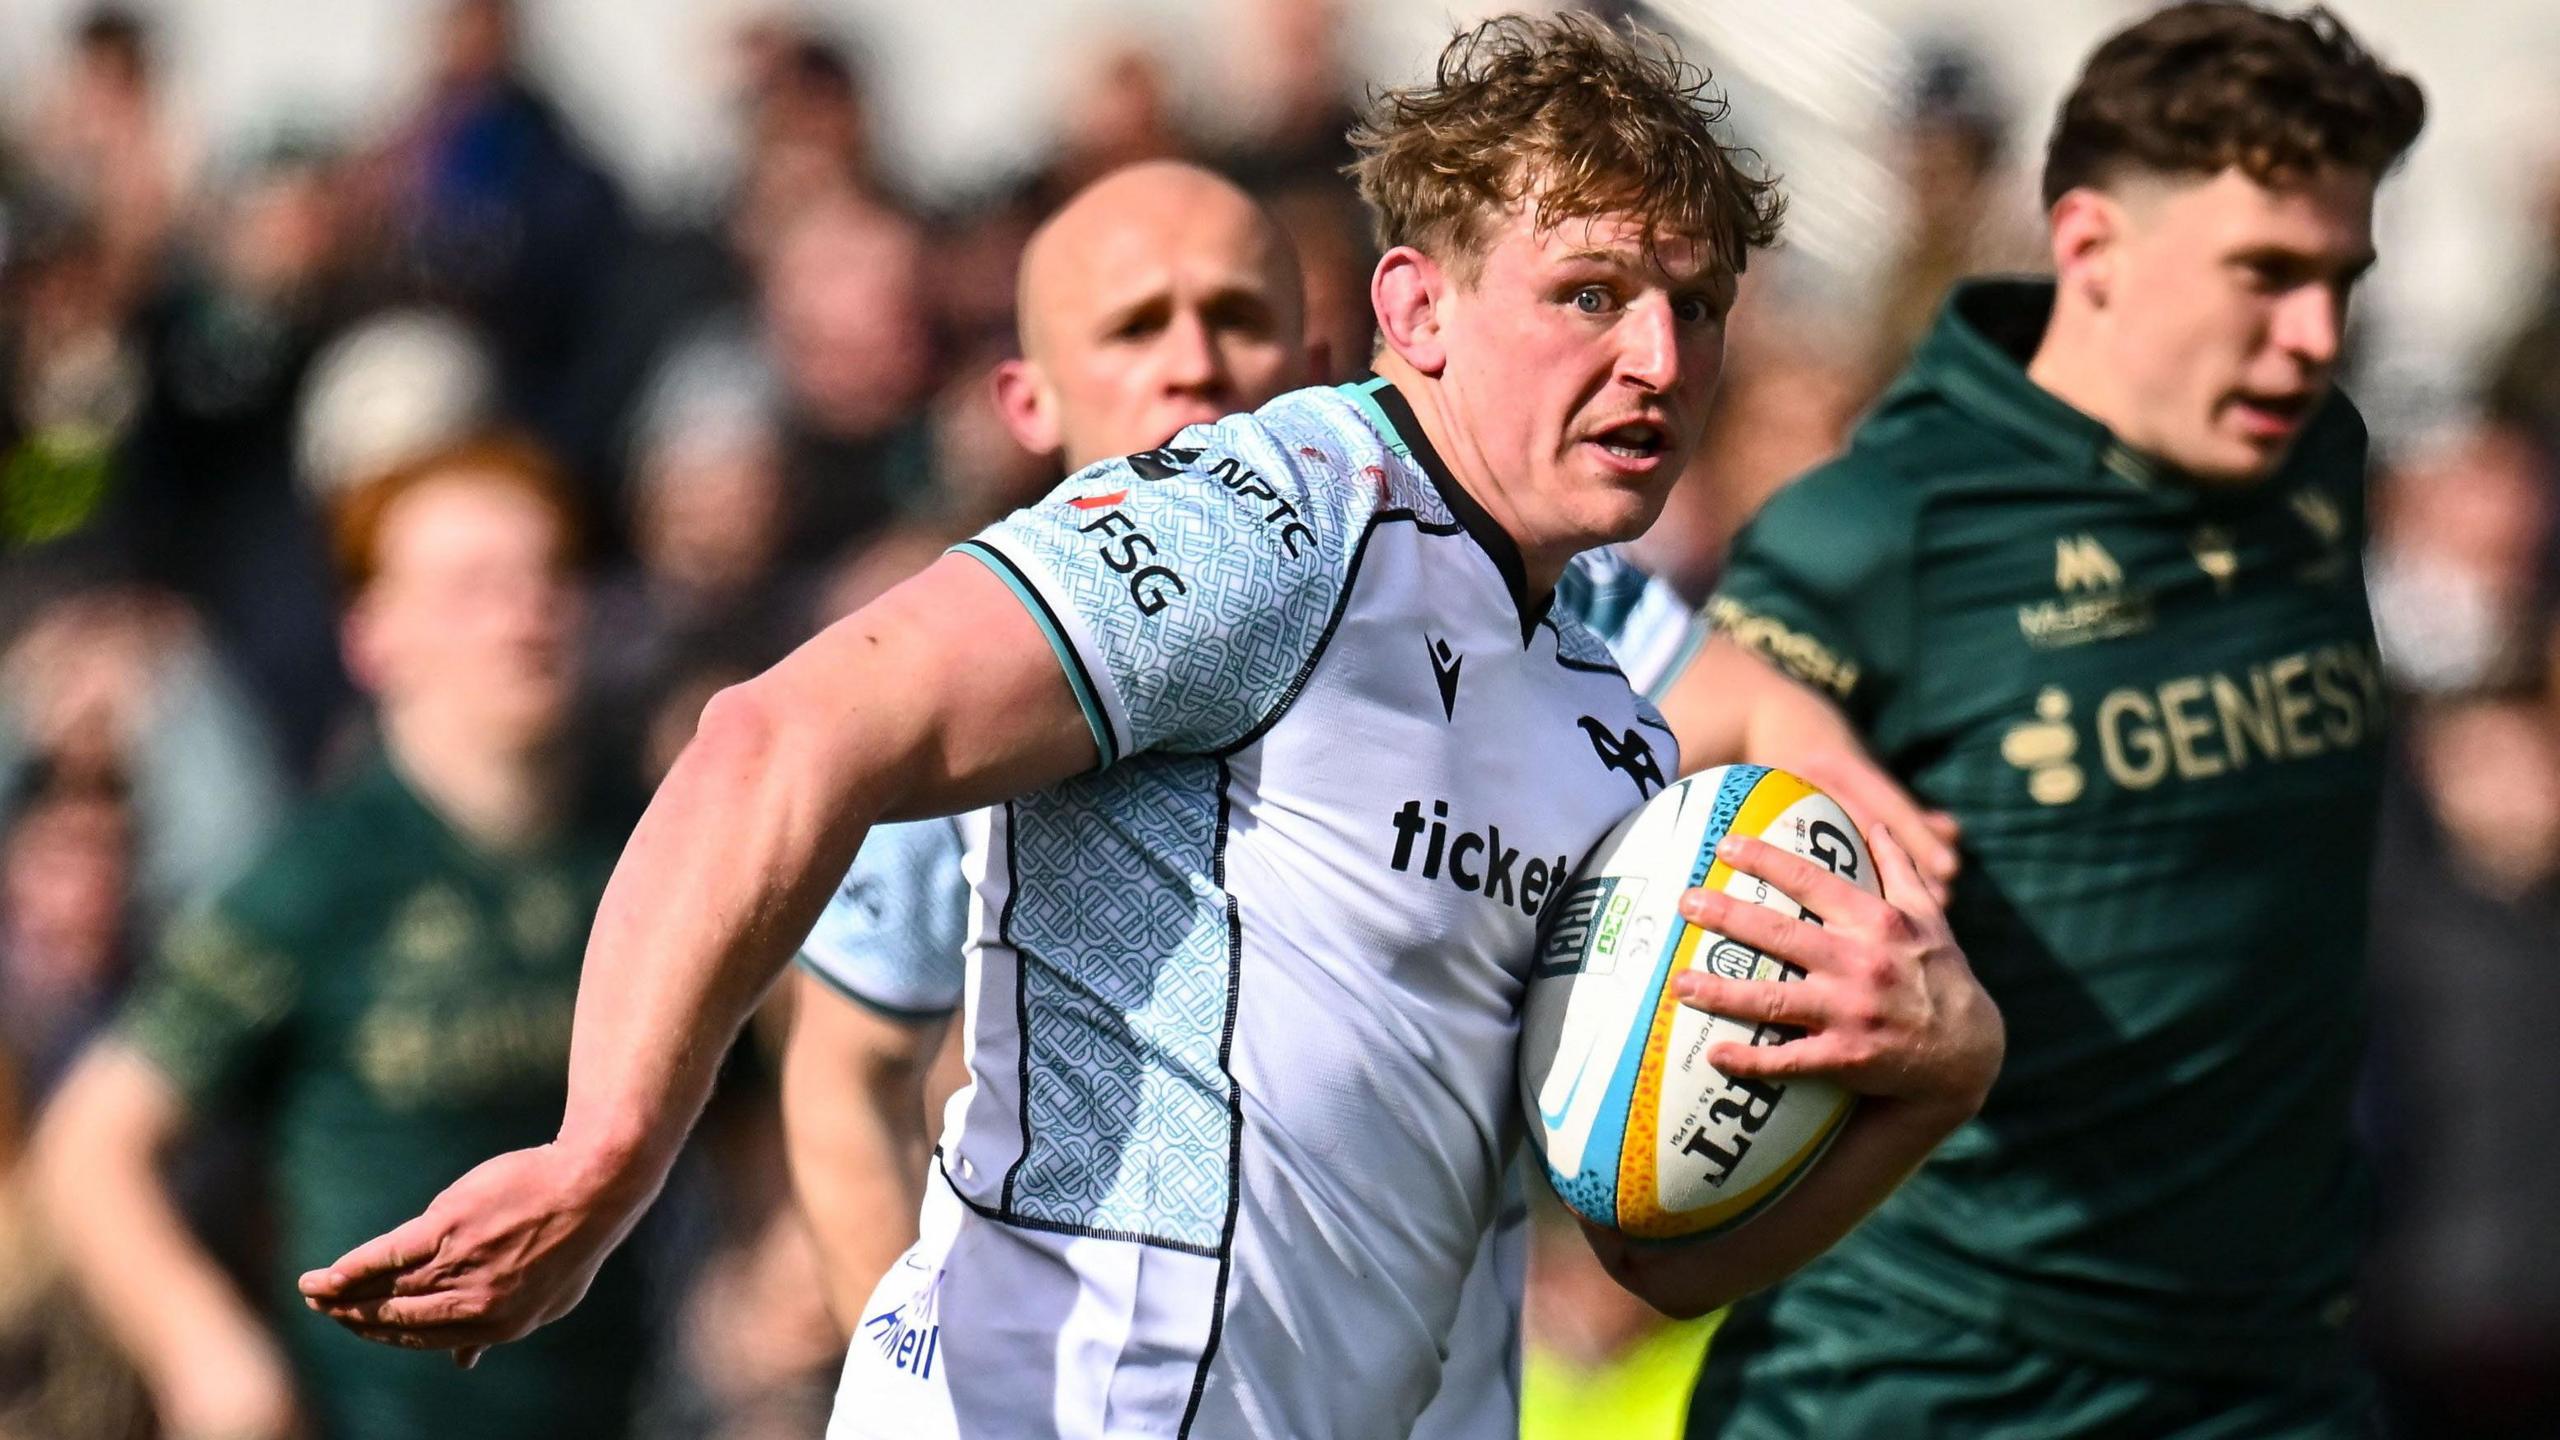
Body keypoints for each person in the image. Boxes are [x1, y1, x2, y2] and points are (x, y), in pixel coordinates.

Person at [299, 17, 2003, 1439]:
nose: (1657, 359)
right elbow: (785, 735)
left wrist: (1935, 1083)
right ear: (1414, 310)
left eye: (1696, 306)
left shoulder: (1606, 720)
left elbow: (1651, 1253)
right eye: (1591, 293)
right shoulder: (1283, 517)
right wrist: (611, 1145)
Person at [782, 156, 1713, 1440]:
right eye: (1134, 328)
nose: (1193, 364)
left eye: (1236, 317)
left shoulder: (1556, 597)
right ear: (1026, 400)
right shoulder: (982, 667)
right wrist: (912, 1368)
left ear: (1321, 359)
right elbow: (845, 1071)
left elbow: (1763, 734)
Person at [1678, 5, 2427, 1434]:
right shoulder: (1884, 525)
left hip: (2276, 1375)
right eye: (2265, 275)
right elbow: (1657, 773)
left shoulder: (2323, 472)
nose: (2315, 337)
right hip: (1933, 1379)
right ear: (2089, 248)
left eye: (2342, 279)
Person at [30, 438, 655, 1440]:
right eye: (473, 589)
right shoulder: (318, 880)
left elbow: (749, 1103)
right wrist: (208, 1352)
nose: (524, 615)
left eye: (548, 576)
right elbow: (91, 1147)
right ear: (372, 637)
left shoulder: (647, 850)